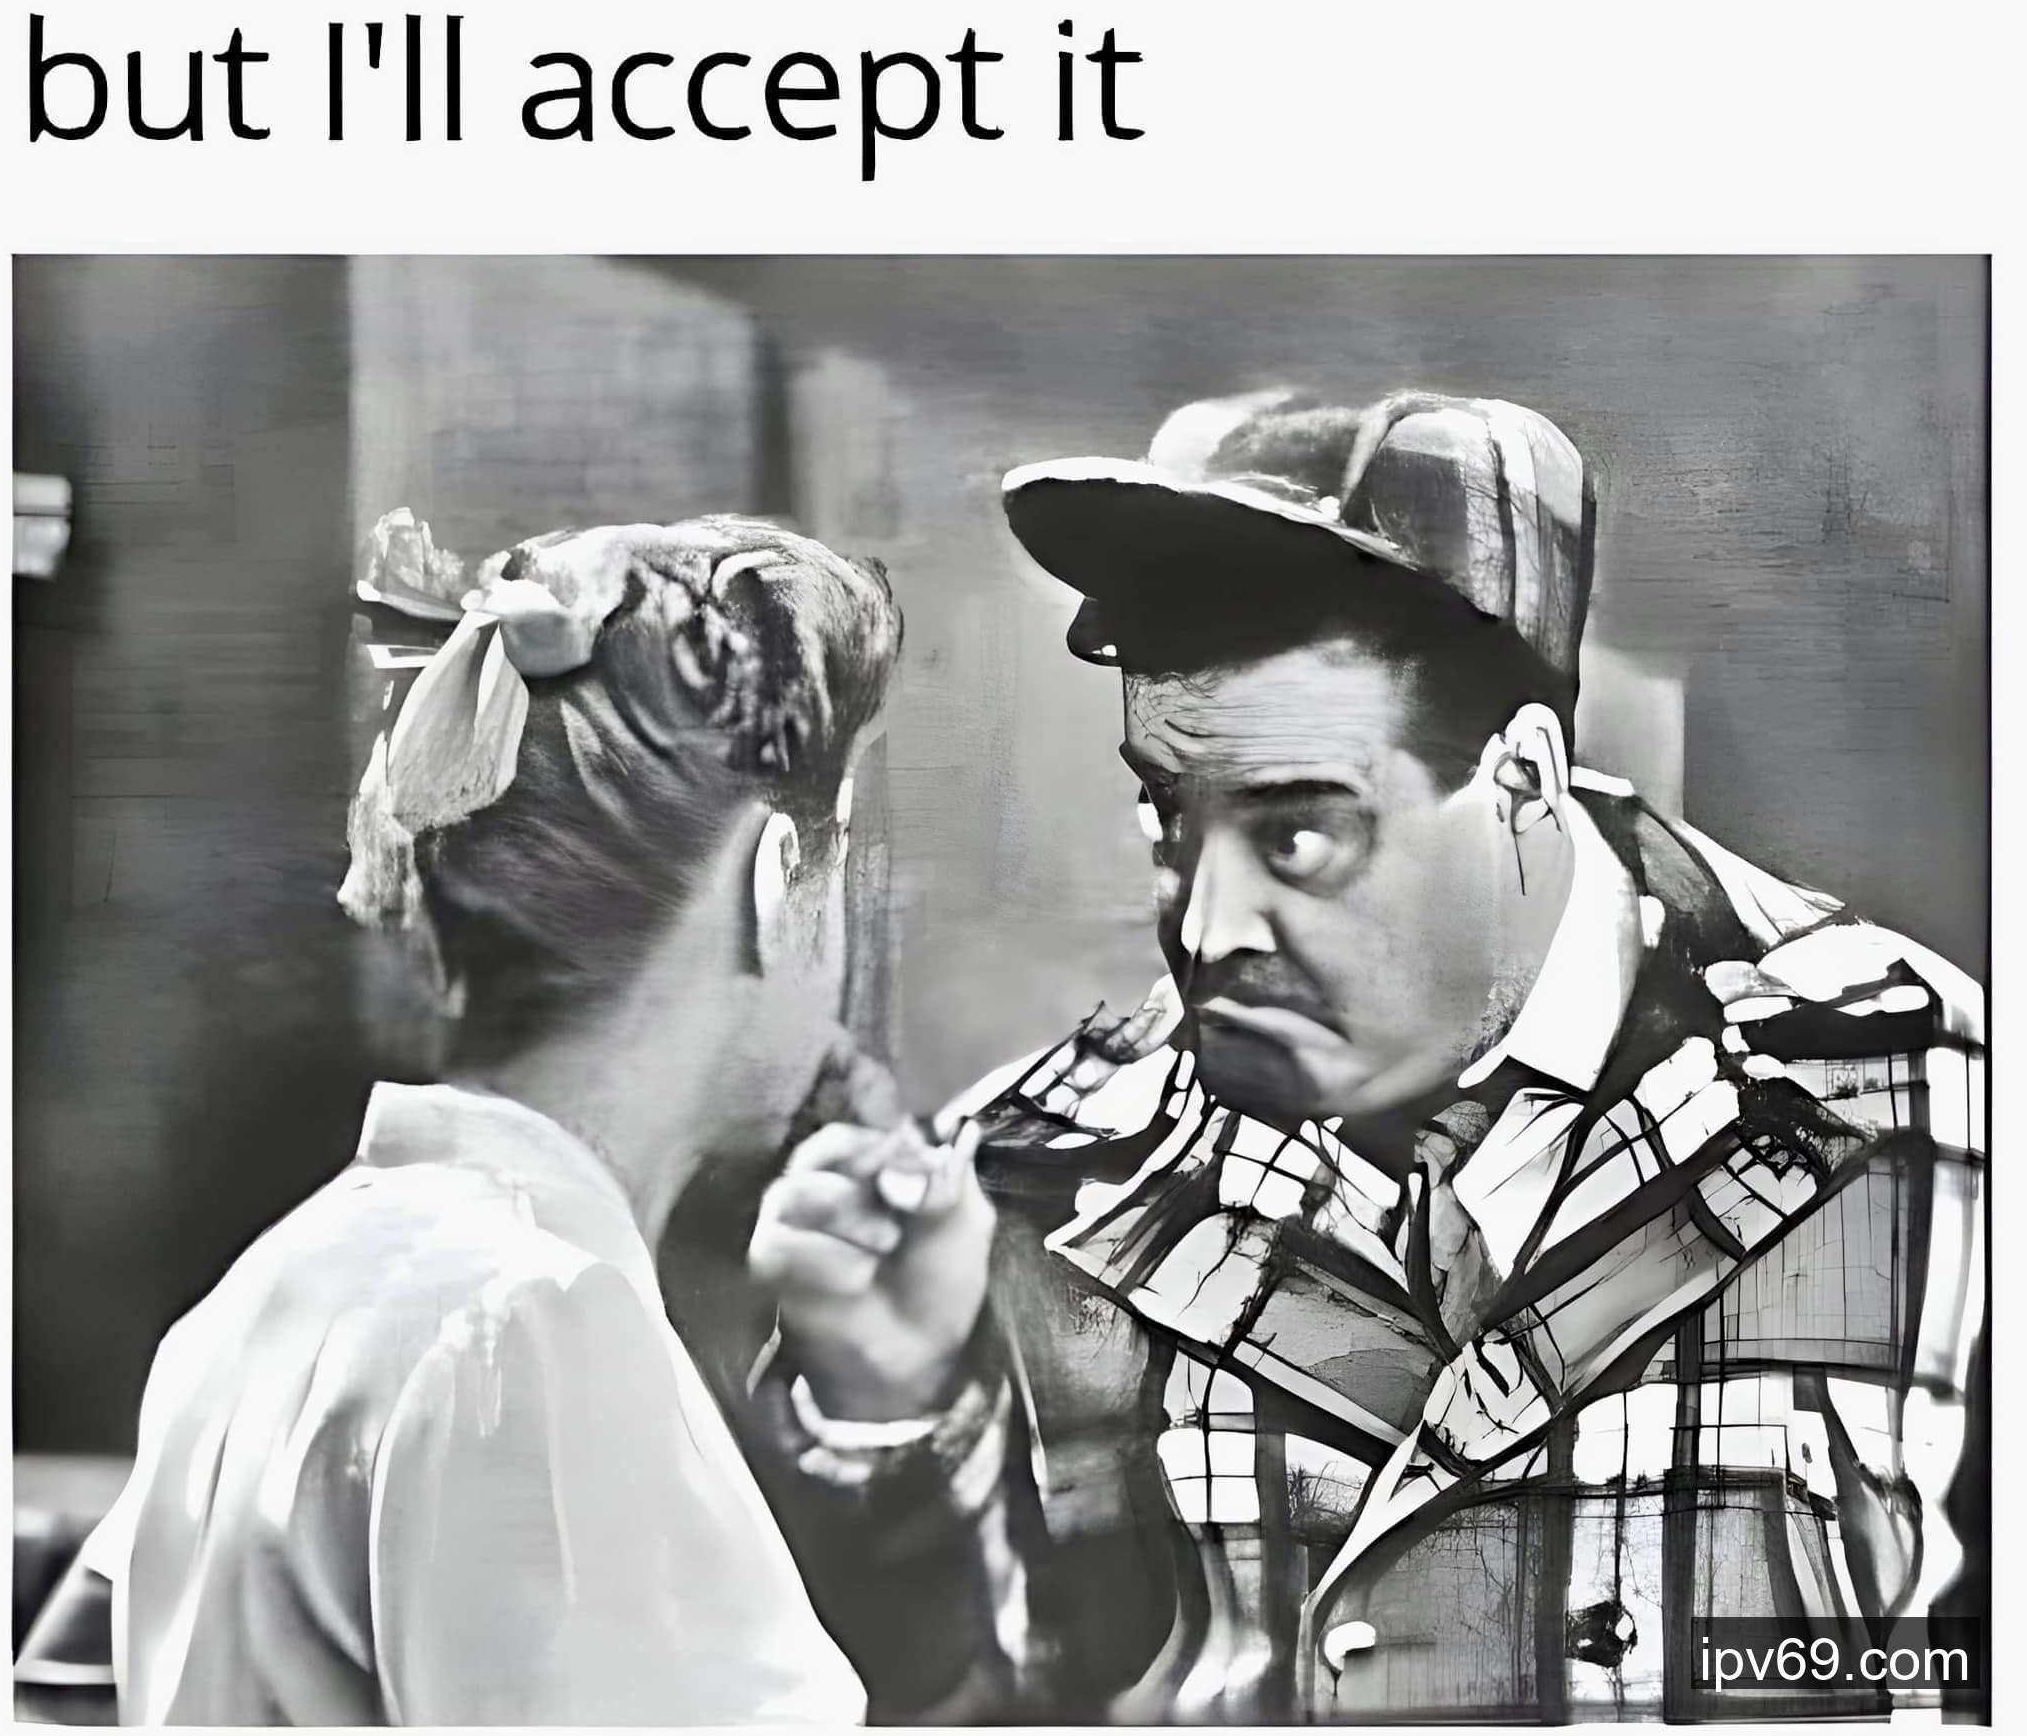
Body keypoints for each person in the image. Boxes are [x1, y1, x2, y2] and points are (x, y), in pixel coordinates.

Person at [756, 390, 1985, 1721]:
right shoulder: (1040, 1173)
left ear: (1523, 781)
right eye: (1169, 817)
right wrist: (883, 1419)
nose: (1206, 931)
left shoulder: (1926, 1095)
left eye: (1296, 838)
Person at [71, 510, 1011, 1725]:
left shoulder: (276, 1287)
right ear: (779, 882)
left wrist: (883, 1408)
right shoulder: (533, 1326)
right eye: (847, 866)